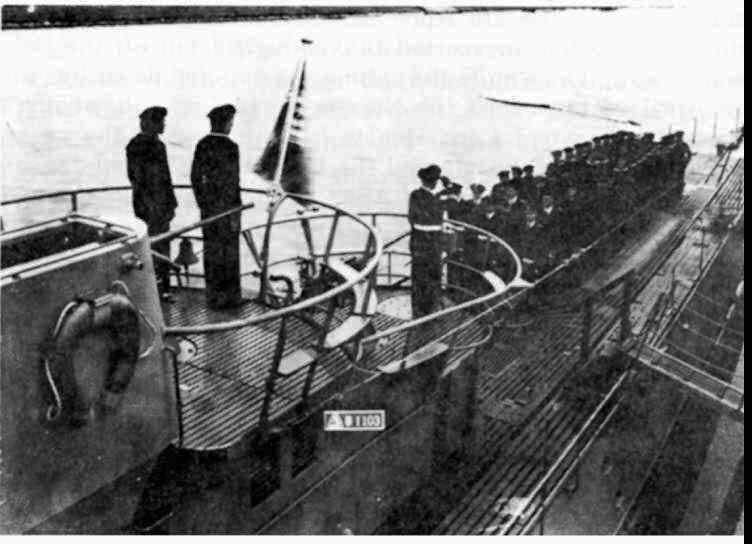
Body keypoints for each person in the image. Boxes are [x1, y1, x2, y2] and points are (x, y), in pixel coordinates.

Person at [190, 104, 243, 310]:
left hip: (210, 210)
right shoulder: (231, 147)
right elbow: (233, 183)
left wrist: (204, 203)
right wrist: (235, 210)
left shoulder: (203, 144)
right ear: (226, 123)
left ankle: (214, 296)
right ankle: (231, 297)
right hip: (229, 210)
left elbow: (195, 177)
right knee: (229, 253)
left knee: (212, 252)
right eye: (230, 122)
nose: (231, 126)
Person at [126, 106, 178, 299]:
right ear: (149, 123)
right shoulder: (137, 146)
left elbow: (166, 178)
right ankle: (152, 291)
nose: (163, 125)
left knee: (162, 246)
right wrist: (150, 206)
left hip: (162, 207)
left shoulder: (159, 145)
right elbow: (136, 179)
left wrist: (171, 204)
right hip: (148, 208)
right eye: (160, 121)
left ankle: (163, 289)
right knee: (152, 248)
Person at [408, 164, 443, 318]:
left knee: (429, 277)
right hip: (425, 244)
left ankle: (426, 308)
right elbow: (416, 219)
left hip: (426, 243)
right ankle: (422, 310)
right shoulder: (419, 196)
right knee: (424, 278)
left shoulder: (428, 196)